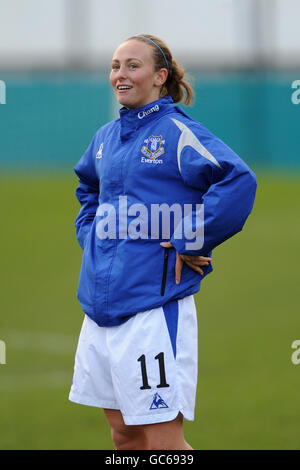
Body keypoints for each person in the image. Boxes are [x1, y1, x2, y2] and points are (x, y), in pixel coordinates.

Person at [69, 34, 257, 450]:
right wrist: (94, 238)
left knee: (164, 442)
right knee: (124, 434)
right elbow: (87, 190)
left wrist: (192, 238)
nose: (121, 74)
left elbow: (238, 180)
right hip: (99, 309)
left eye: (133, 65)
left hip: (152, 312)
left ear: (160, 76)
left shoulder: (176, 132)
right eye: (116, 65)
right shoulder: (104, 138)